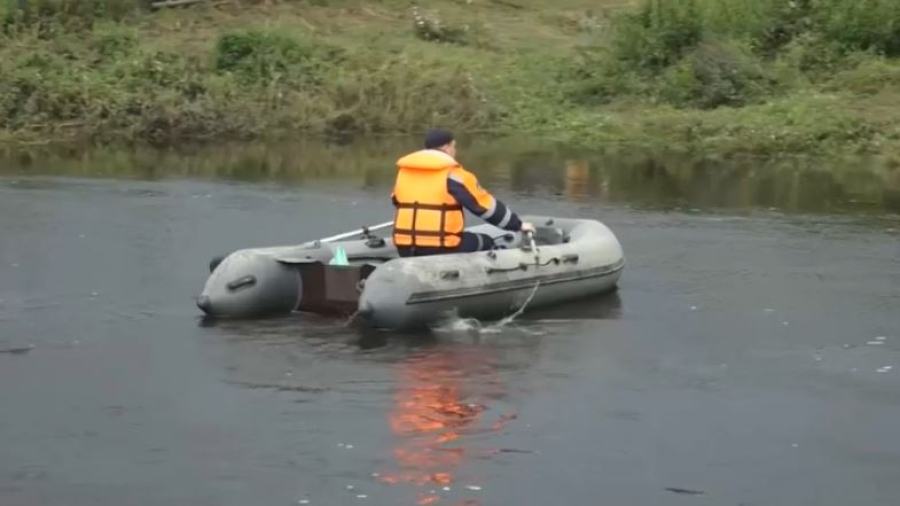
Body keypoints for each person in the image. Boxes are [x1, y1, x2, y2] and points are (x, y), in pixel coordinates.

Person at [391, 129, 534, 257]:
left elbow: (396, 201)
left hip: (404, 247)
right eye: (454, 146)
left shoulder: (404, 173)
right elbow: (486, 207)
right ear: (447, 147)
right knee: (485, 241)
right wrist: (518, 225)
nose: (455, 151)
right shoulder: (454, 175)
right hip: (441, 247)